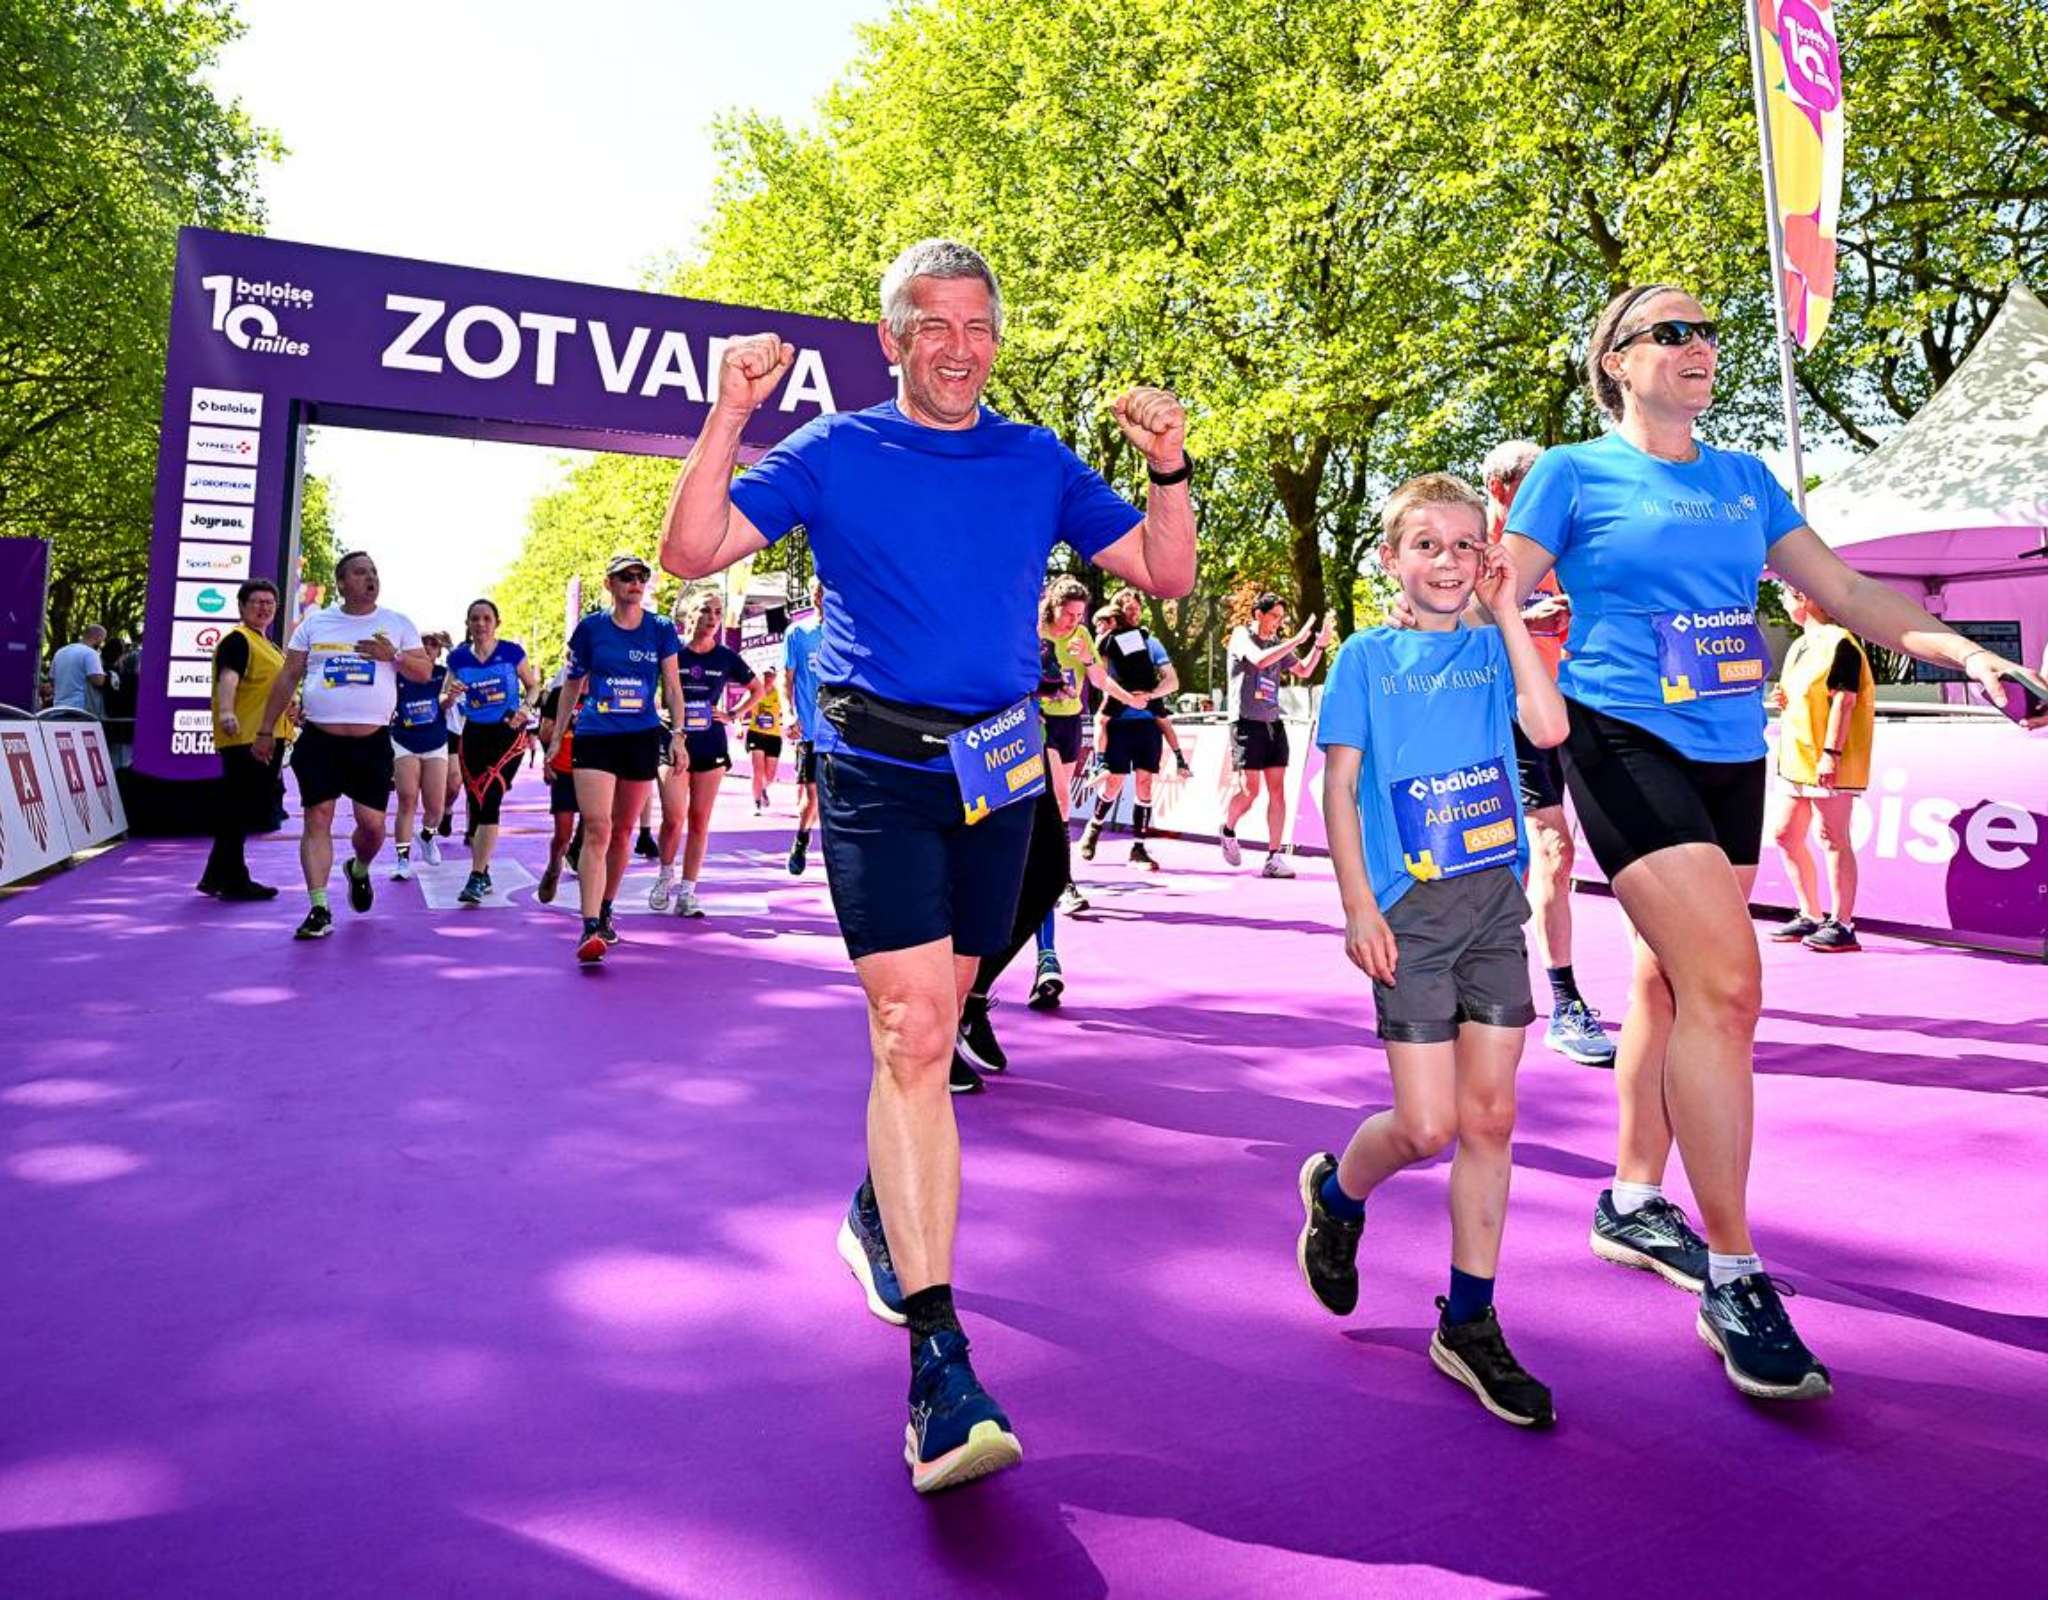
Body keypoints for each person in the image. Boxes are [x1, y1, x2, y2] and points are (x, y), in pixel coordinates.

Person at [660, 238, 1194, 1494]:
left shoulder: (1034, 458)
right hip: (877, 771)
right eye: (931, 324)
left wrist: (1167, 463)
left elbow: (1163, 572)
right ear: (891, 339)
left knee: (940, 1016)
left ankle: (873, 1205)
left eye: (978, 325)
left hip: (1000, 774)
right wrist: (729, 411)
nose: (958, 345)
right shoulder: (836, 450)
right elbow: (690, 555)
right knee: (910, 1034)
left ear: (994, 340)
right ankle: (938, 1365)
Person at [1496, 283, 2042, 1400]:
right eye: (1672, 332)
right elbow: (1500, 590)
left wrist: (1964, 654)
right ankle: (1734, 1273)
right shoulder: (1570, 470)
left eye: (1707, 329)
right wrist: (1515, 704)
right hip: (1615, 732)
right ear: (1616, 360)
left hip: (1728, 747)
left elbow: (1837, 588)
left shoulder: (1743, 478)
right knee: (1730, 987)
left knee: (1667, 980)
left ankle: (1631, 1198)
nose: (1700, 345)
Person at [1299, 472, 1567, 1427]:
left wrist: (1509, 613)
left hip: (1493, 906)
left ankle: (1470, 1319)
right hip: (1406, 915)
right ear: (1390, 560)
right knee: (1428, 1128)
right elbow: (1340, 792)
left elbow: (1547, 727)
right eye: (1427, 545)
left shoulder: (1500, 651)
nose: (1448, 562)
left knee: (1490, 1118)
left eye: (1466, 546)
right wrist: (1358, 907)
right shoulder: (1366, 660)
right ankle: (1338, 1192)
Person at [1481, 440, 1615, 1068]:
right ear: (1502, 490)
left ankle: (1587, 998)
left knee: (1588, 859)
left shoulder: (1573, 542)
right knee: (1544, 854)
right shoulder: (1474, 547)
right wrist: (1524, 619)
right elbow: (1440, 618)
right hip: (1511, 717)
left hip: (1587, 706)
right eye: (1534, 487)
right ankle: (1560, 996)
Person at [952, 575, 1109, 1088]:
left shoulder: (1034, 612)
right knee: (962, 886)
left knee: (1048, 873)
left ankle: (972, 997)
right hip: (960, 750)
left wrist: (1050, 683)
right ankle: (931, 1037)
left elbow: (1047, 677)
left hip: (1020, 749)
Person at [252, 552, 430, 940]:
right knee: (318, 818)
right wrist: (266, 729)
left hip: (372, 744)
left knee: (372, 828)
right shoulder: (315, 625)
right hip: (320, 740)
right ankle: (319, 907)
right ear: (342, 583)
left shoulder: (396, 623)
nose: (370, 578)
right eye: (361, 572)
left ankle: (359, 869)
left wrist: (393, 656)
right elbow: (288, 677)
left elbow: (425, 671)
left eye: (374, 572)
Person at [549, 554, 688, 963]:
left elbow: (673, 688)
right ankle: (589, 925)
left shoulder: (660, 629)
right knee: (597, 827)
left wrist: (678, 737)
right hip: (596, 735)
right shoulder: (591, 629)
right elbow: (571, 685)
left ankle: (606, 907)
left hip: (641, 736)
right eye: (626, 577)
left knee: (624, 830)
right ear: (609, 584)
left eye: (641, 577)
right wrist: (557, 735)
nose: (635, 583)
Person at [1765, 586, 1874, 952]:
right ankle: (1810, 913)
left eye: (1784, 594)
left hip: (1828, 759)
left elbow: (1844, 700)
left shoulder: (1841, 642)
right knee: (1784, 834)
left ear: (1803, 597)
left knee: (1833, 838)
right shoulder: (1799, 646)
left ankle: (1843, 924)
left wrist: (1832, 753)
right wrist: (1781, 698)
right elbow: (1804, 695)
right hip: (1795, 759)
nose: (1781, 600)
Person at [649, 590, 761, 918]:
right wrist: (661, 713)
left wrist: (734, 714)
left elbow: (758, 688)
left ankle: (688, 892)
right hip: (672, 742)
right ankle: (664, 877)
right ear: (689, 616)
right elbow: (652, 691)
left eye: (716, 612)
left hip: (710, 743)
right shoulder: (671, 652)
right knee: (673, 818)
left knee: (699, 821)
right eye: (705, 611)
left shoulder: (726, 657)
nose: (711, 618)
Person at [1218, 594, 1332, 877]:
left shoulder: (1278, 645)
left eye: (1282, 618)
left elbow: (1304, 670)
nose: (1278, 623)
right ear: (1258, 613)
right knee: (1250, 791)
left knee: (1278, 790)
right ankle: (1228, 828)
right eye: (1274, 617)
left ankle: (1273, 856)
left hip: (1273, 723)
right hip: (1245, 722)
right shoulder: (1241, 636)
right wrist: (1297, 638)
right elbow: (1258, 661)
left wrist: (1319, 644)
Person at [199, 582, 291, 900]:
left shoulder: (269, 645)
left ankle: (216, 876)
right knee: (240, 808)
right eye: (256, 602)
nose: (264, 608)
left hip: (269, 734)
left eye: (270, 602)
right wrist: (226, 710)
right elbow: (228, 677)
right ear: (241, 606)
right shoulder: (238, 640)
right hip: (245, 736)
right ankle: (234, 879)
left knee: (239, 809)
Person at [445, 599, 538, 905]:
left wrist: (524, 709)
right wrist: (451, 695)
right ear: (468, 624)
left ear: (496, 622)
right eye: (475, 619)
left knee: (492, 799)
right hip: (473, 734)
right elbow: (444, 698)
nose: (481, 624)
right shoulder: (458, 658)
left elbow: (533, 687)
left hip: (507, 733)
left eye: (486, 618)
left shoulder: (511, 652)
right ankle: (483, 871)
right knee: (475, 803)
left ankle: (474, 876)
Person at [1082, 587, 1179, 870]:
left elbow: (1172, 681)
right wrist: (1126, 698)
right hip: (1119, 723)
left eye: (1137, 608)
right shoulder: (1108, 641)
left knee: (1145, 783)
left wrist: (1149, 696)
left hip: (1147, 723)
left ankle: (1139, 847)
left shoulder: (1151, 642)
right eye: (1127, 608)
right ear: (1117, 614)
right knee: (1114, 782)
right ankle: (1095, 825)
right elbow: (1098, 677)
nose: (1133, 612)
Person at [388, 631, 451, 880]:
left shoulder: (443, 674)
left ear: (439, 651)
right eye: (423, 643)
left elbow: (447, 697)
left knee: (435, 806)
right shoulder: (398, 673)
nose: (427, 648)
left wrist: (448, 699)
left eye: (433, 645)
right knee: (407, 799)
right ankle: (402, 860)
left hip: (435, 742)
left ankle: (426, 836)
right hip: (404, 740)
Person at [783, 579, 826, 874]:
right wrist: (788, 713)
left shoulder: (846, 632)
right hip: (811, 730)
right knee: (812, 797)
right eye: (816, 590)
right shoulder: (797, 633)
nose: (819, 596)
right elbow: (786, 680)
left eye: (825, 590)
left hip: (844, 732)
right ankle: (802, 839)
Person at [746, 665, 784, 813]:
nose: (768, 678)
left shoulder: (779, 693)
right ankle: (756, 802)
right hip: (756, 733)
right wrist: (737, 726)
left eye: (771, 675)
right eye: (765, 675)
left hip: (773, 736)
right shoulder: (754, 691)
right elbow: (741, 708)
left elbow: (788, 710)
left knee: (770, 775)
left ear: (775, 678)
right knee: (758, 770)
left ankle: (762, 788)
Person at [49, 625, 109, 717]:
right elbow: (98, 681)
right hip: (80, 710)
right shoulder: (90, 653)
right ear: (98, 638)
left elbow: (52, 679)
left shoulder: (60, 652)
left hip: (58, 708)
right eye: (102, 640)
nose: (102, 643)